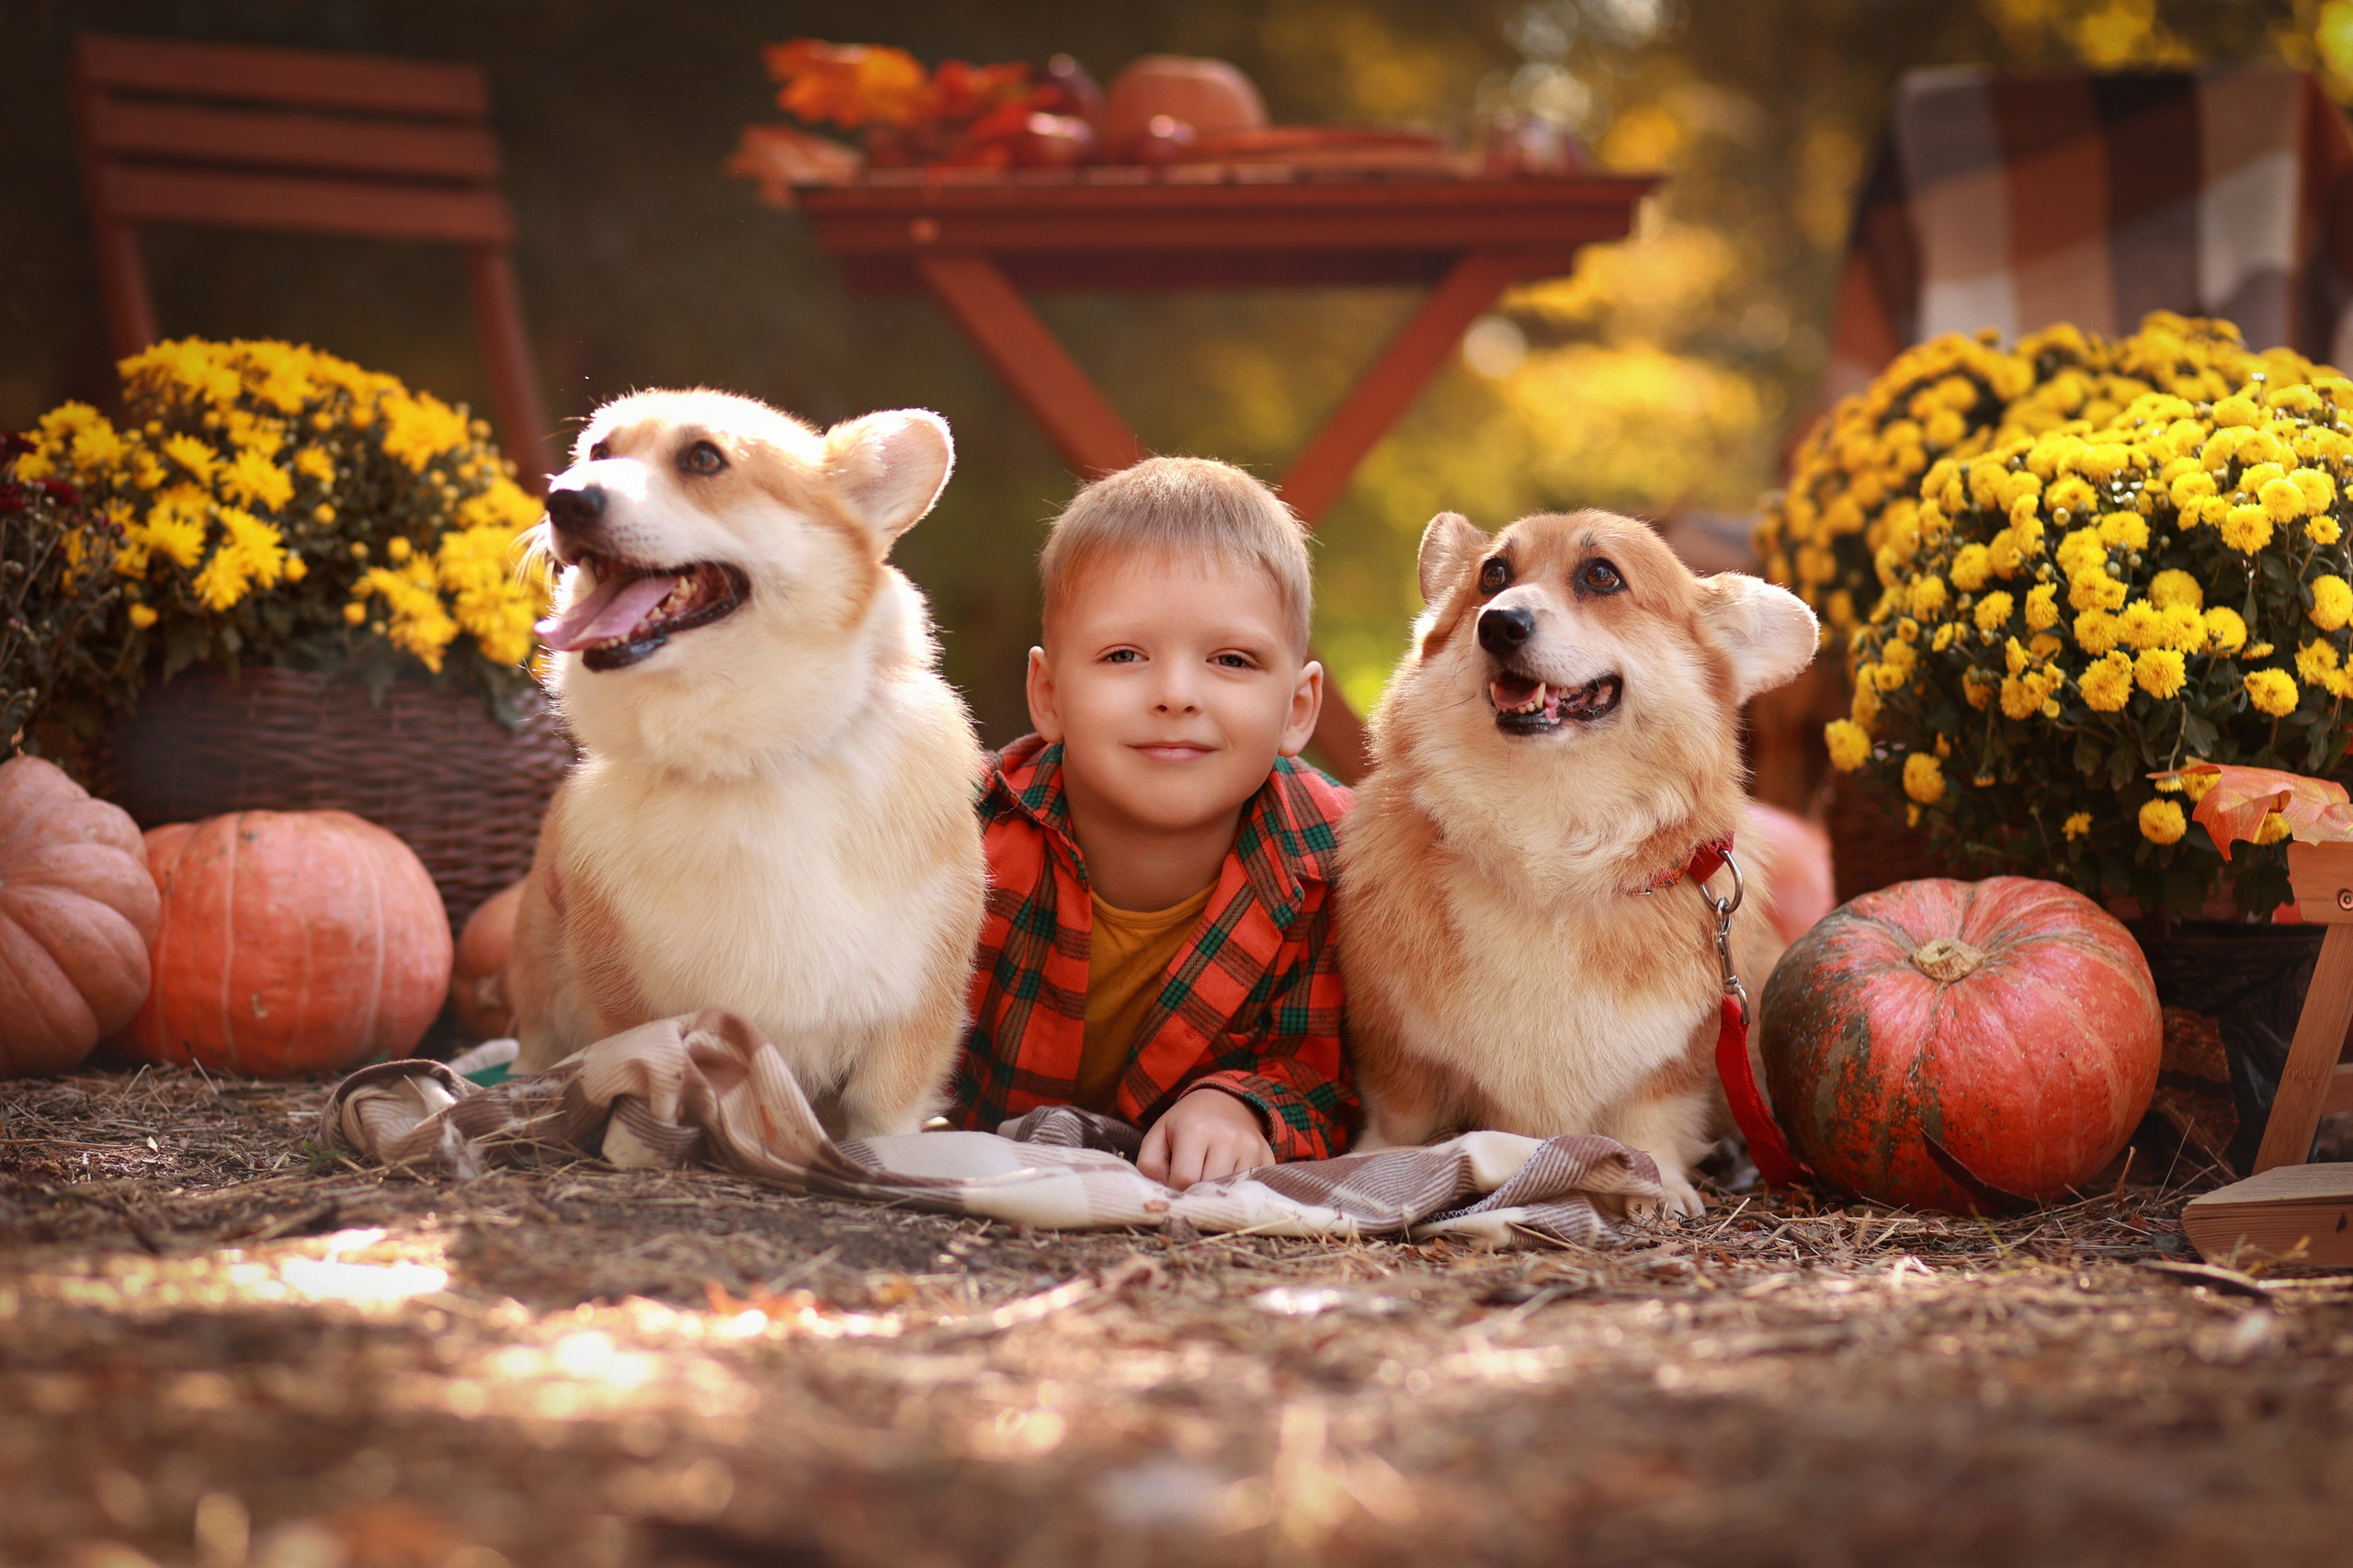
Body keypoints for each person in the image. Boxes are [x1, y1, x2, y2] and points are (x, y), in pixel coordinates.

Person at [951, 457, 1357, 1187]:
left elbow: (1326, 1074)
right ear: (1049, 695)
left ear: (1297, 709)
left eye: (1231, 660)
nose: (1175, 694)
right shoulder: (961, 834)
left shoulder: (1341, 869)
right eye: (1124, 655)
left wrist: (1242, 1106)